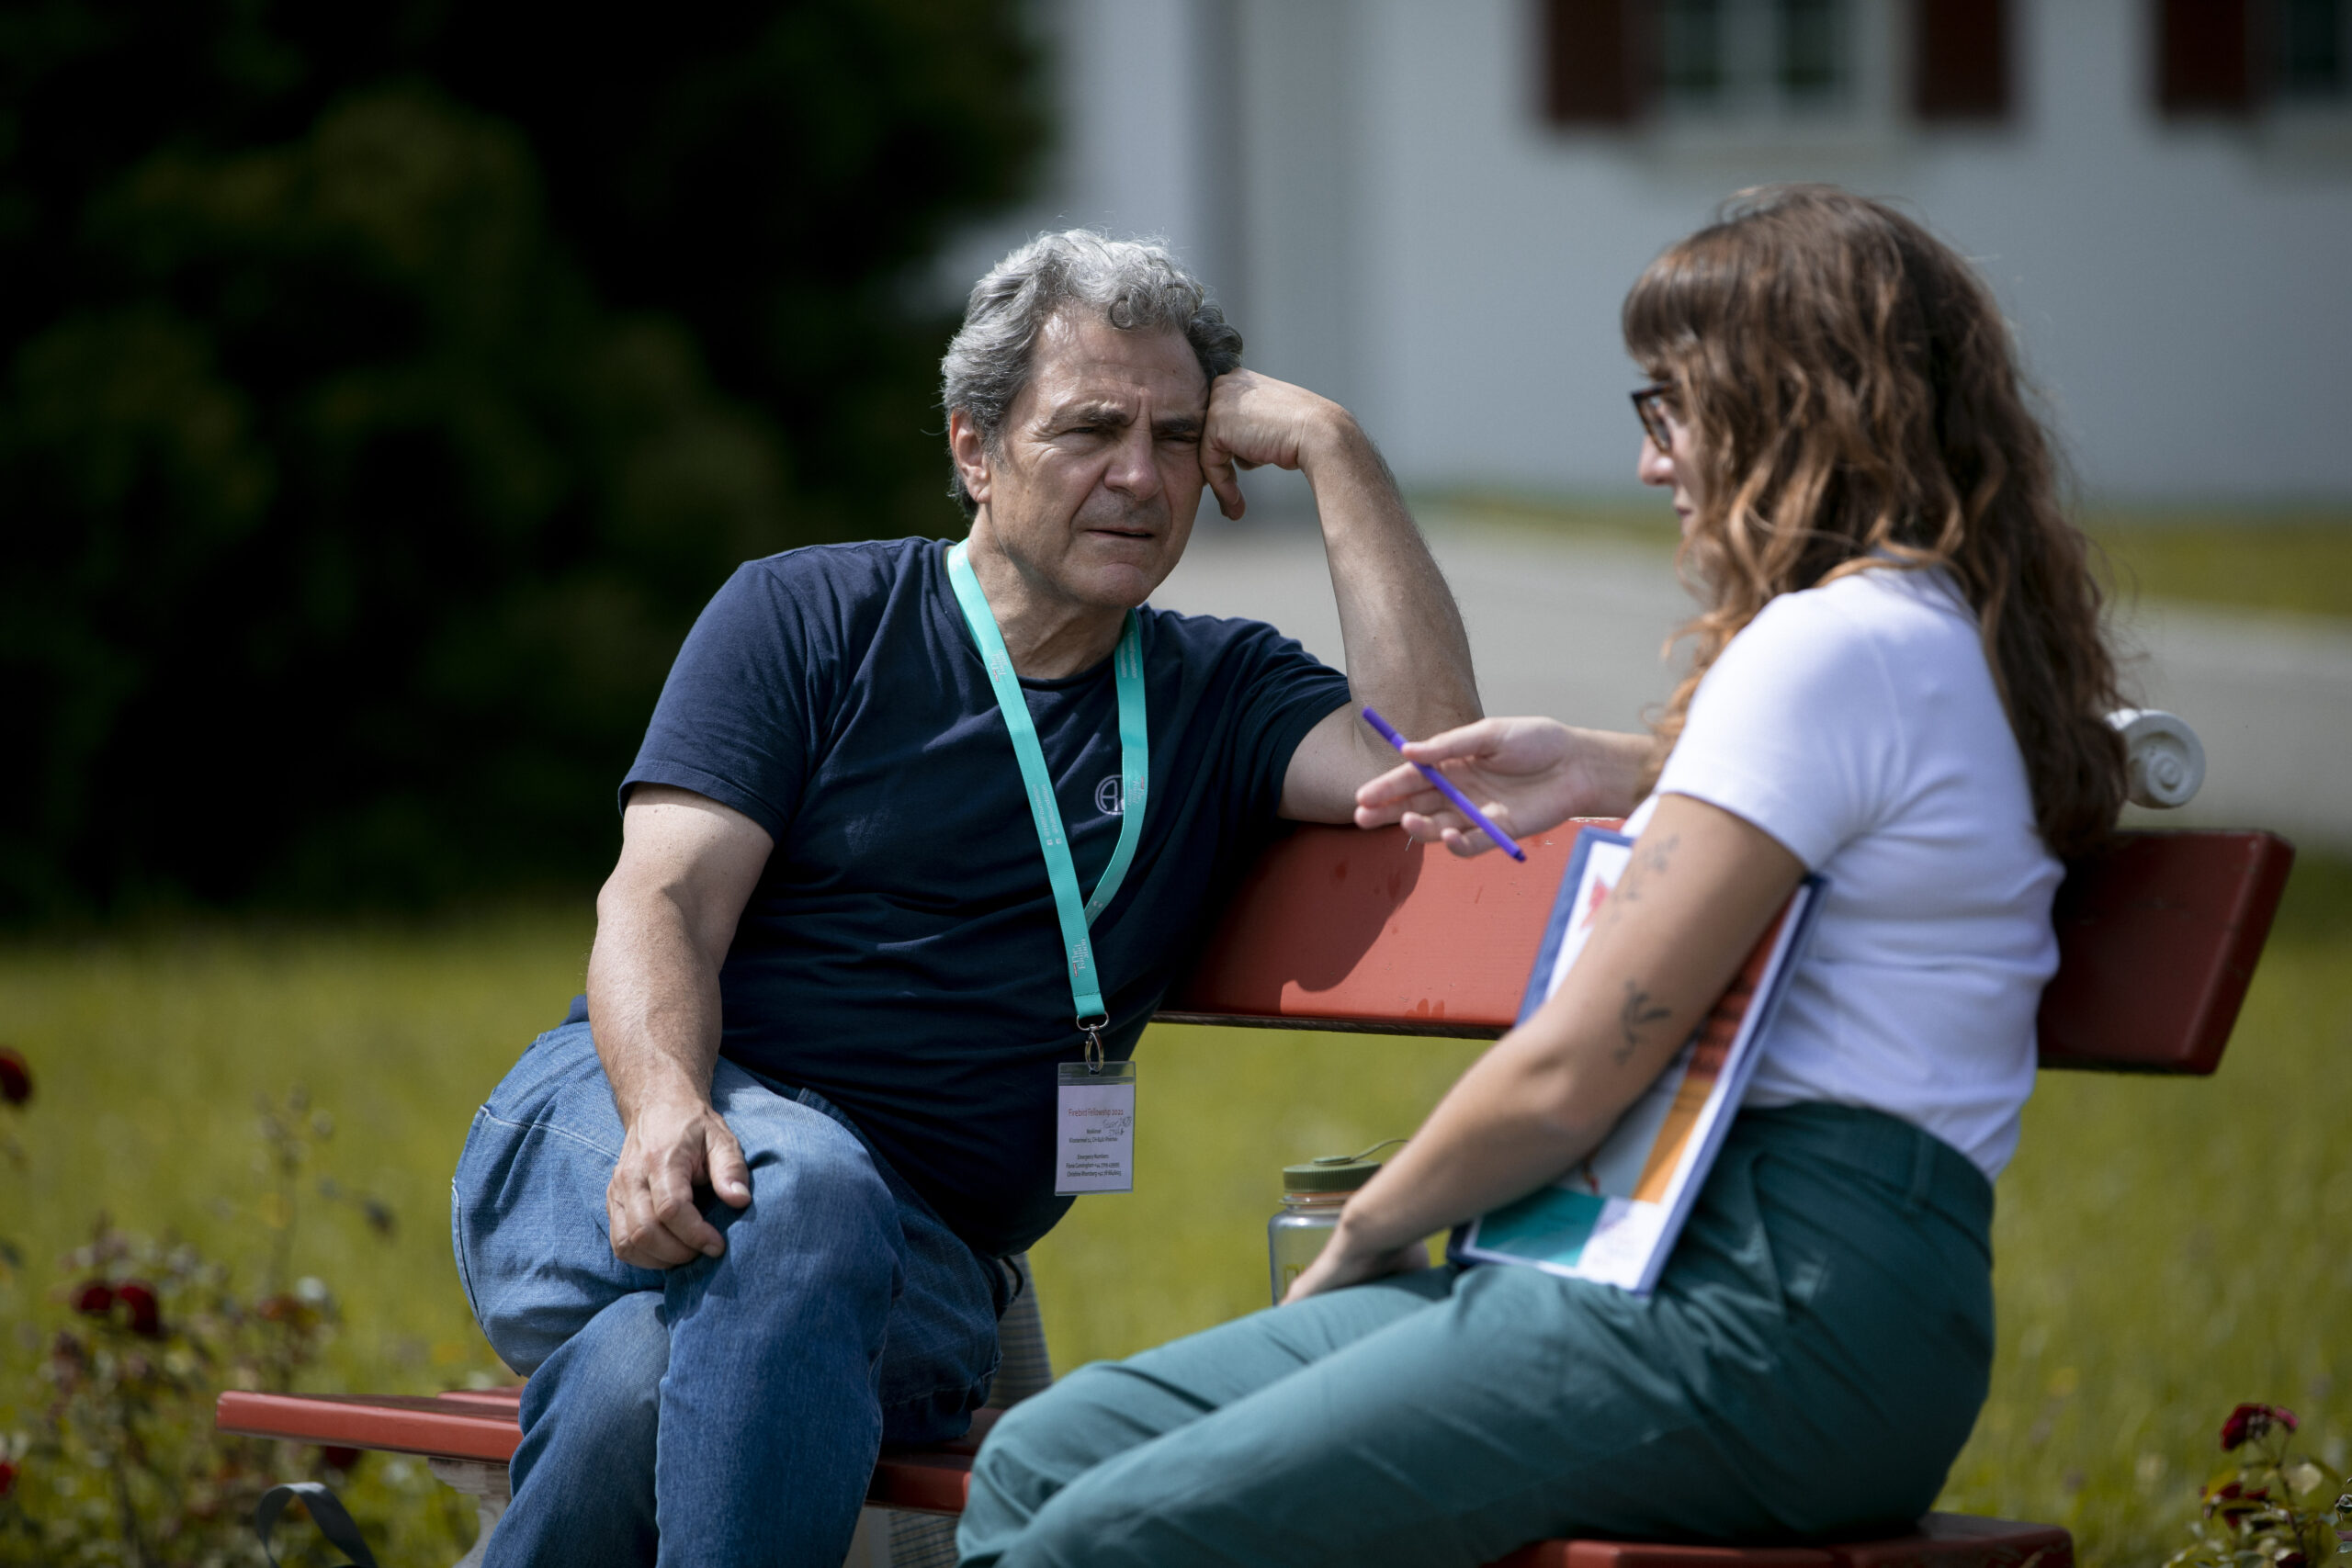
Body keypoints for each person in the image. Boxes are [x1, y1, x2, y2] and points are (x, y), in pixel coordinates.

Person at [956, 186, 2129, 1567]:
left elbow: (1576, 1068)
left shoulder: (1828, 649)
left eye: (1670, 407)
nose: (1653, 462)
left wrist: (1374, 1231)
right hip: (1681, 1270)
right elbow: (1854, 805)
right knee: (1045, 1451)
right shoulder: (1914, 634)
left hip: (1768, 1309)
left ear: (1795, 406)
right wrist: (1630, 767)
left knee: (1104, 1539)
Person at [447, 231, 1480, 1567]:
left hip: (919, 1266)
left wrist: (1336, 447)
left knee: (642, 1385)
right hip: (621, 1134)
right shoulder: (809, 616)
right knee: (802, 1193)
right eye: (1091, 428)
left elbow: (1442, 776)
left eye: (1177, 437)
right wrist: (664, 1108)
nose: (1138, 475)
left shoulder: (1219, 698)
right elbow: (660, 904)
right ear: (975, 450)